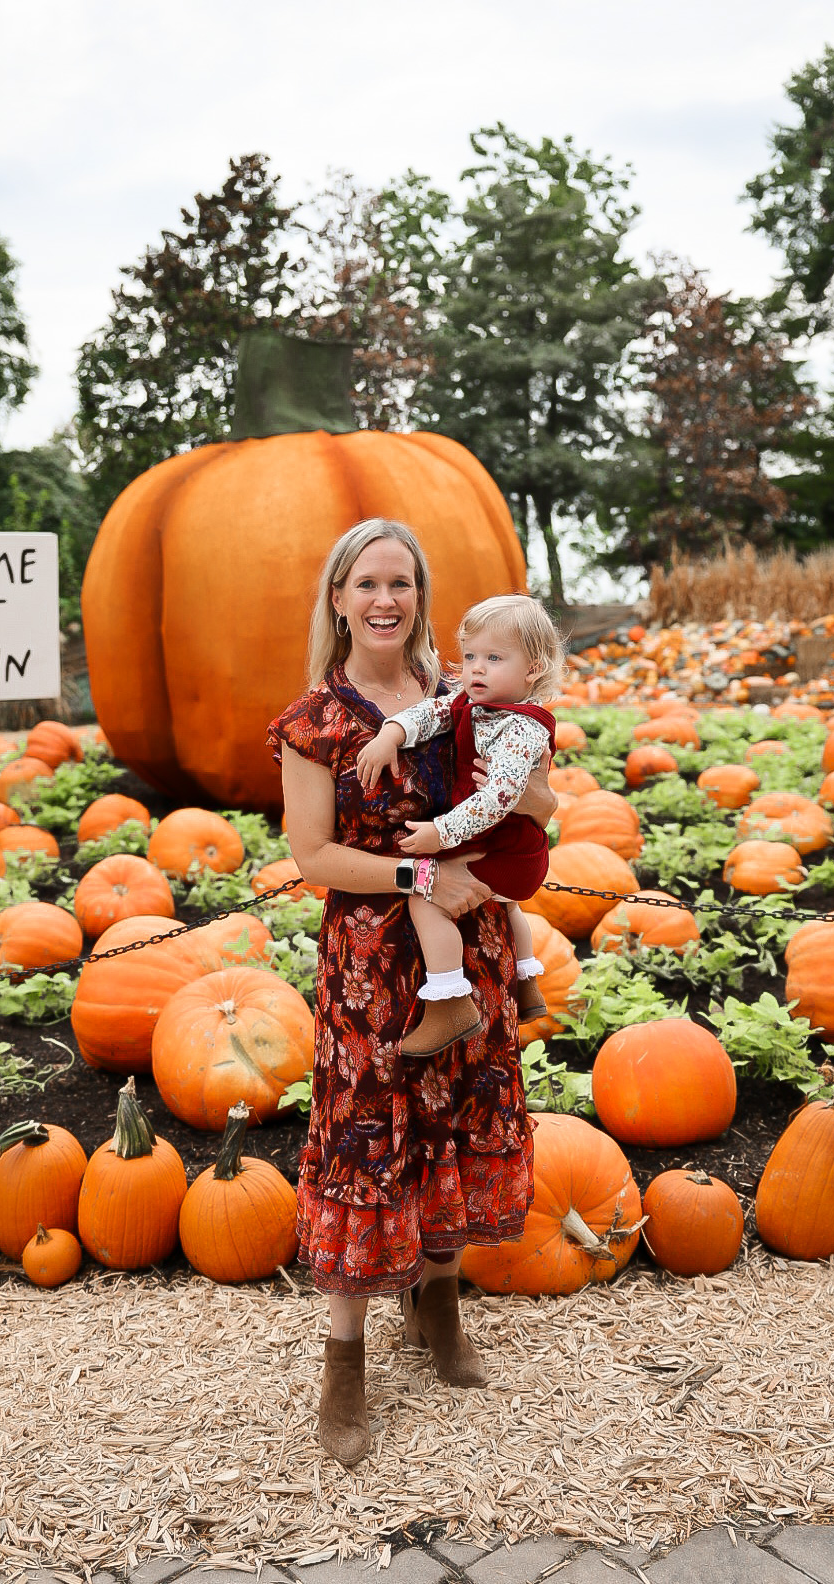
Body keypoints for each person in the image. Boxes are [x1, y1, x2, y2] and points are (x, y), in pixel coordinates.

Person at [266, 518, 557, 1467]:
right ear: (340, 598)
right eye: (367, 584)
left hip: (465, 945)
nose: (385, 601)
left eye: (402, 584)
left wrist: (527, 792)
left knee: (455, 1120)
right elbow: (314, 857)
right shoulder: (318, 720)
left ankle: (438, 1308)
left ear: (419, 598)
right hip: (372, 959)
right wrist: (423, 878)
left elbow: (539, 798)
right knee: (365, 1135)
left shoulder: (464, 692)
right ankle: (343, 1364)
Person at [355, 594, 563, 1058]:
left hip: (504, 849)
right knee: (508, 909)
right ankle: (527, 980)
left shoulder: (523, 730)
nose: (476, 669)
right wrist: (392, 732)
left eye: (493, 658)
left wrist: (440, 833)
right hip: (507, 846)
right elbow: (433, 714)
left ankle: (449, 1001)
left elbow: (498, 799)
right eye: (470, 657)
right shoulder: (474, 703)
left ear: (532, 669)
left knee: (425, 901)